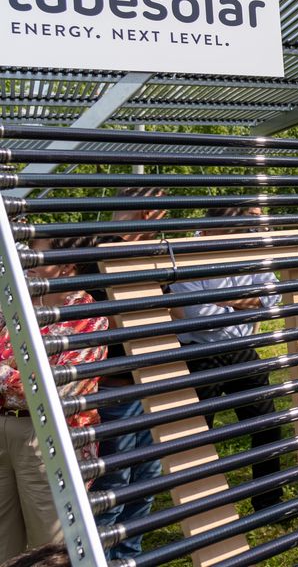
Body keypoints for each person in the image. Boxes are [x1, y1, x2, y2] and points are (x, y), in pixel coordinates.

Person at [167, 206, 284, 512]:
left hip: (241, 349)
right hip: (199, 354)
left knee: (267, 424)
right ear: (212, 226)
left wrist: (226, 301)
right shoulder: (186, 253)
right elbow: (198, 316)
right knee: (197, 436)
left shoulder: (248, 248)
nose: (242, 235)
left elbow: (272, 297)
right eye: (234, 229)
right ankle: (202, 508)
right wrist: (244, 303)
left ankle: (269, 501)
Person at [0, 236, 108, 560]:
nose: (26, 260)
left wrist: (7, 375)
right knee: (3, 543)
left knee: (50, 548)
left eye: (37, 254)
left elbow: (58, 392)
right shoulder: (13, 304)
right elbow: (32, 383)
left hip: (49, 439)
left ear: (67, 266)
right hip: (4, 429)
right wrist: (18, 377)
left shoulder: (89, 318)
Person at [90, 187, 167, 562]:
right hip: (114, 390)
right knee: (115, 485)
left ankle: (128, 554)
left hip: (149, 386)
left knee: (146, 481)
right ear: (143, 212)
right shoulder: (96, 253)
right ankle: (105, 555)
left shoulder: (148, 254)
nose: (163, 222)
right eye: (158, 214)